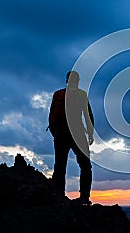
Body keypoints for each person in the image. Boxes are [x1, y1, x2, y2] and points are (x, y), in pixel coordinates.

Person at [48, 71, 94, 205]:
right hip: (77, 132)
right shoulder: (81, 95)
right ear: (78, 81)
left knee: (60, 164)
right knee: (85, 165)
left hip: (60, 133)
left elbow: (51, 115)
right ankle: (84, 197)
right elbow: (87, 114)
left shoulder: (58, 94)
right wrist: (90, 133)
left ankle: (59, 194)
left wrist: (54, 132)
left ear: (67, 80)